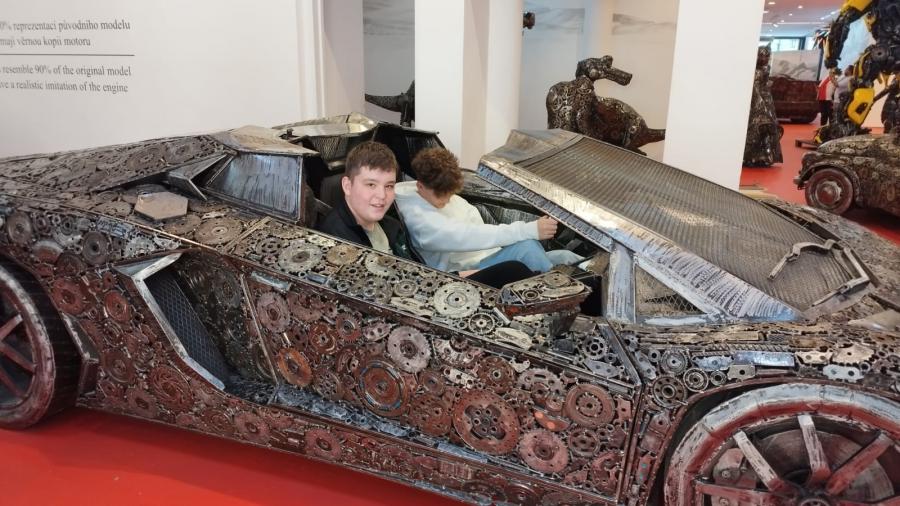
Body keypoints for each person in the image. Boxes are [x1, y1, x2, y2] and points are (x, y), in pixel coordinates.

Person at [317, 141, 532, 288]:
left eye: (389, 186)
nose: (381, 196)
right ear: (347, 185)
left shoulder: (391, 225)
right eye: (371, 184)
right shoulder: (334, 237)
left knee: (514, 270)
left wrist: (460, 276)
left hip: (427, 285)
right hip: (410, 313)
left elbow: (417, 270)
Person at [395, 147, 582, 274]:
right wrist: (528, 229)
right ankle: (566, 301)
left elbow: (476, 231)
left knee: (564, 256)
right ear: (420, 186)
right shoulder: (419, 219)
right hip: (464, 273)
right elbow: (467, 235)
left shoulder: (442, 195)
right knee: (527, 247)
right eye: (440, 195)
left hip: (487, 256)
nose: (446, 200)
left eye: (449, 194)